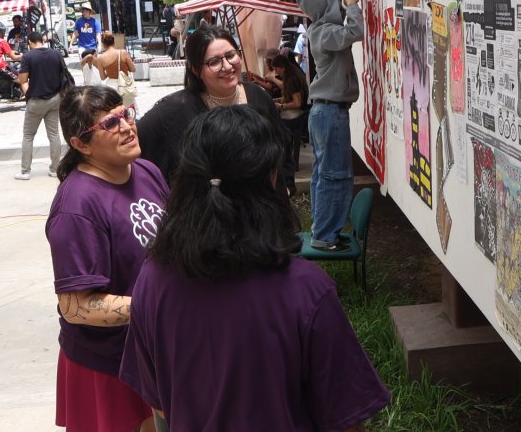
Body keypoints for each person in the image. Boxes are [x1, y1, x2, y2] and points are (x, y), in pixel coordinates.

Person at [122, 106, 390, 430]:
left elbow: (160, 409)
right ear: (270, 179)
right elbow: (346, 419)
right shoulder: (305, 291)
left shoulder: (152, 281)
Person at [46, 86, 165, 432]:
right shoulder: (76, 207)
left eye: (126, 113)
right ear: (80, 144)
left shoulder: (146, 172)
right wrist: (157, 306)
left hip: (151, 351)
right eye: (110, 123)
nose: (127, 126)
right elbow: (75, 306)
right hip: (107, 364)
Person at [137, 24, 288, 186]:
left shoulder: (259, 97)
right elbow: (137, 150)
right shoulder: (172, 110)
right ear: (195, 69)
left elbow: (280, 146)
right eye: (214, 62)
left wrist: (284, 187)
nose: (228, 66)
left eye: (231, 55)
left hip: (261, 207)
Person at [296, 0, 364, 252]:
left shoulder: (324, 18)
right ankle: (325, 236)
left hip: (326, 112)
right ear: (324, 8)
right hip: (329, 113)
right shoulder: (322, 33)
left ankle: (323, 230)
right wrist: (352, 7)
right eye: (333, 1)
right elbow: (355, 31)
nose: (338, 0)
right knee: (335, 175)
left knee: (326, 174)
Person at [15, 31, 67, 180]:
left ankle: (25, 172)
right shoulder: (56, 54)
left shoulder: (28, 56)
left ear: (31, 42)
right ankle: (55, 169)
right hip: (55, 99)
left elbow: (23, 80)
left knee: (28, 136)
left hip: (36, 102)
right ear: (42, 41)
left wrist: (28, 95)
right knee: (54, 134)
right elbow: (64, 75)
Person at [268, 52, 308, 195]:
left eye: (277, 69)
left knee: (274, 126)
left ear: (282, 67)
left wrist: (282, 106)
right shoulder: (292, 75)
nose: (276, 72)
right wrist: (279, 101)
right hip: (295, 114)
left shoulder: (292, 80)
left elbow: (296, 103)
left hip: (296, 117)